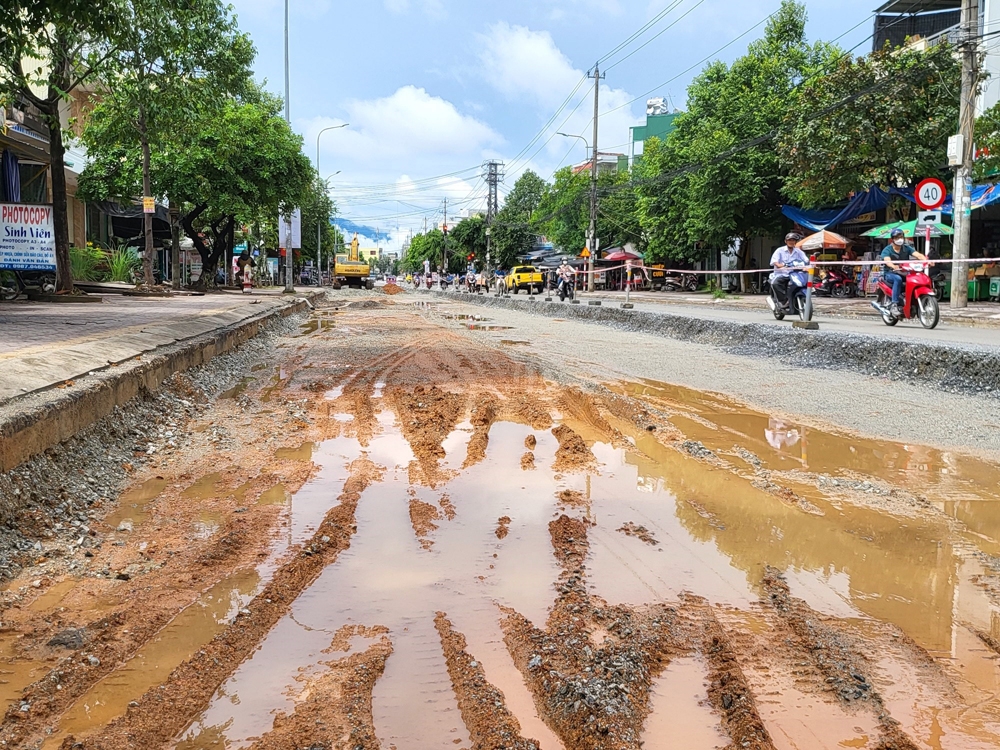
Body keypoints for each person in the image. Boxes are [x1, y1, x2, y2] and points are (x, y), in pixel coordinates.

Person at [881, 228, 926, 315]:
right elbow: (887, 260)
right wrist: (893, 266)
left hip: (904, 272)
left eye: (901, 237)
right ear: (892, 239)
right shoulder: (887, 250)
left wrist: (926, 260)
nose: (899, 239)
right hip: (890, 273)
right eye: (897, 237)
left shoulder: (906, 248)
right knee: (898, 279)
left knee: (916, 278)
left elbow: (918, 255)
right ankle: (894, 304)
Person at [770, 232, 808, 310]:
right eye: (789, 240)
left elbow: (806, 260)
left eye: (793, 240)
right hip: (782, 274)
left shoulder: (798, 251)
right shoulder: (779, 250)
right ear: (785, 241)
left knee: (805, 283)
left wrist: (809, 265)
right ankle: (783, 301)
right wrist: (780, 265)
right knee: (775, 283)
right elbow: (774, 262)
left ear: (795, 242)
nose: (791, 242)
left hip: (795, 274)